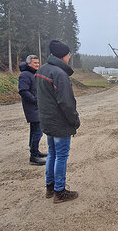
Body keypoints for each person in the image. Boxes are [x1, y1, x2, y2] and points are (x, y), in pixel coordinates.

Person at [35, 40, 80, 204]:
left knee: (52, 154)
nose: (69, 57)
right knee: (61, 156)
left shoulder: (42, 70)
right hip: (59, 123)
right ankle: (60, 192)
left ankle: (50, 187)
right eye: (69, 54)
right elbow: (66, 103)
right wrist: (75, 120)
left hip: (47, 121)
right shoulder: (60, 74)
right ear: (64, 55)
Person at [18, 55, 46, 166]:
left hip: (36, 107)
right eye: (35, 63)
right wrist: (35, 100)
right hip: (32, 108)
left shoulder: (33, 74)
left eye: (38, 63)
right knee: (38, 132)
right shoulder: (25, 75)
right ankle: (33, 156)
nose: (37, 65)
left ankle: (35, 151)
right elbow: (23, 91)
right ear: (29, 63)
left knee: (34, 130)